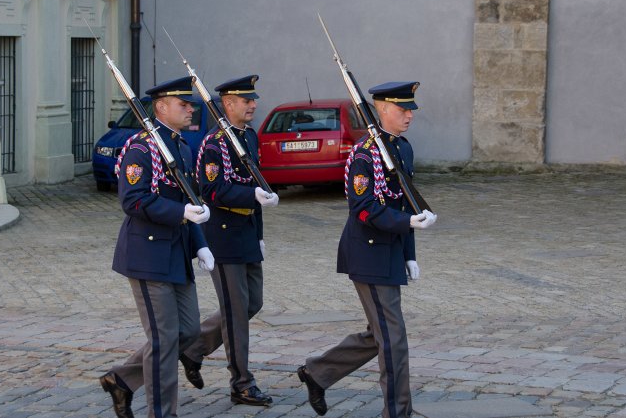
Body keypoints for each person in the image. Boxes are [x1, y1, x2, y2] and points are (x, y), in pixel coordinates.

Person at [297, 81, 436, 418]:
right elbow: (362, 208)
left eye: (411, 109)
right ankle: (397, 411)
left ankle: (318, 372)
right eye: (403, 109)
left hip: (390, 251)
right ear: (383, 109)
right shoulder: (364, 154)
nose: (409, 115)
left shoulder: (402, 149)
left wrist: (410, 253)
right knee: (393, 338)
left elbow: (404, 201)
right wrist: (407, 226)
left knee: (379, 334)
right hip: (369, 253)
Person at [99, 76, 216, 418]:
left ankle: (121, 379)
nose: (190, 108)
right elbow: (133, 200)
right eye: (184, 104)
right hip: (148, 255)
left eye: (191, 103)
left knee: (190, 331)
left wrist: (200, 245)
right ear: (162, 107)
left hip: (177, 253)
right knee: (164, 339)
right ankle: (162, 413)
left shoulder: (181, 146)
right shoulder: (141, 147)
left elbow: (188, 200)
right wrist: (181, 212)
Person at [179, 75, 280, 406]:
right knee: (236, 312)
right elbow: (213, 190)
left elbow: (256, 181)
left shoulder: (248, 137)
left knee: (253, 303)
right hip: (223, 237)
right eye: (245, 100)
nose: (252, 105)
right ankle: (242, 383)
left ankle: (194, 349)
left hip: (247, 234)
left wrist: (261, 232)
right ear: (227, 104)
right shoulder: (214, 143)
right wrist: (253, 195)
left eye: (253, 99)